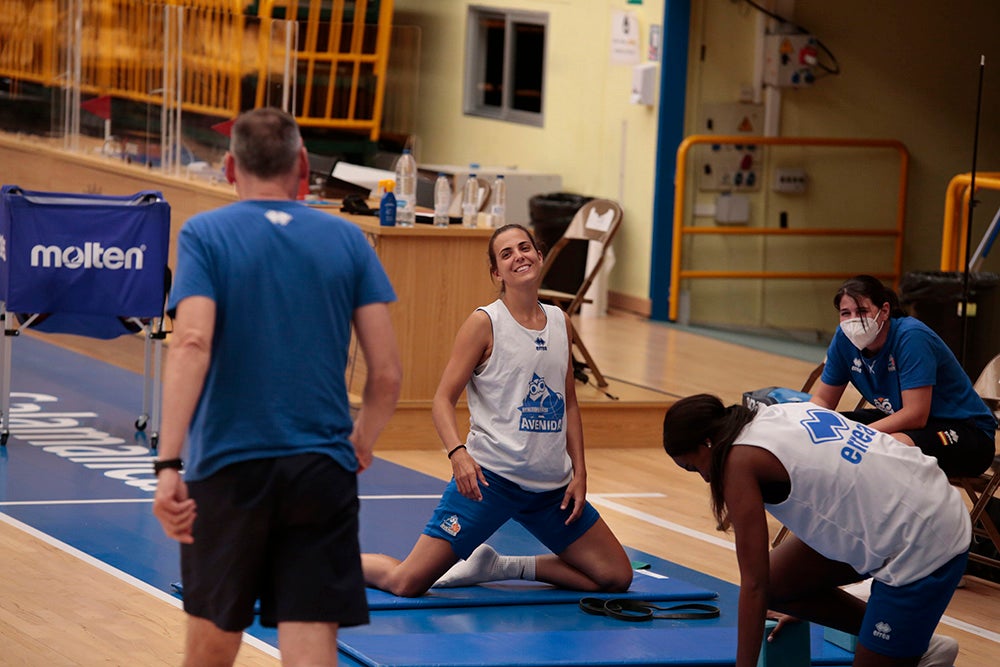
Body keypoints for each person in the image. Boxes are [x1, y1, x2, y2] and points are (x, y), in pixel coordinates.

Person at [152, 107, 402, 666]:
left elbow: (191, 343)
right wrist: (361, 441)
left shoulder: (206, 234)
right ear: (304, 166)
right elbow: (386, 375)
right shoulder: (349, 240)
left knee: (213, 641)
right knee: (312, 642)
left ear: (229, 168)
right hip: (321, 469)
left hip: (229, 469)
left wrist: (167, 464)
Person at [362, 223, 633, 597]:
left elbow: (569, 401)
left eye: (525, 248)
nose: (518, 256)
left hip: (551, 489)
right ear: (496, 272)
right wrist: (458, 454)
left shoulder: (561, 322)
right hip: (490, 482)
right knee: (407, 582)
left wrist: (580, 472)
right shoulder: (484, 323)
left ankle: (504, 566)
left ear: (539, 255)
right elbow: (442, 399)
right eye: (506, 254)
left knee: (616, 577)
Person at [662, 393, 969, 667]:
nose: (703, 478)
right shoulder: (770, 413)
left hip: (922, 540)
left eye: (693, 467)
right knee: (777, 583)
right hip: (919, 496)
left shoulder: (736, 462)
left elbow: (753, 585)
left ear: (707, 443)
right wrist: (808, 601)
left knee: (762, 585)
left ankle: (909, 647)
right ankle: (913, 643)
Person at [810, 274, 996, 478]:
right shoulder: (843, 339)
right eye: (846, 313)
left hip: (967, 432)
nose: (854, 320)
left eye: (862, 311)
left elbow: (916, 414)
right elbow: (824, 400)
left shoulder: (911, 337)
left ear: (884, 311)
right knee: (826, 432)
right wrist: (806, 424)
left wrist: (859, 436)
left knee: (887, 448)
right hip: (903, 419)